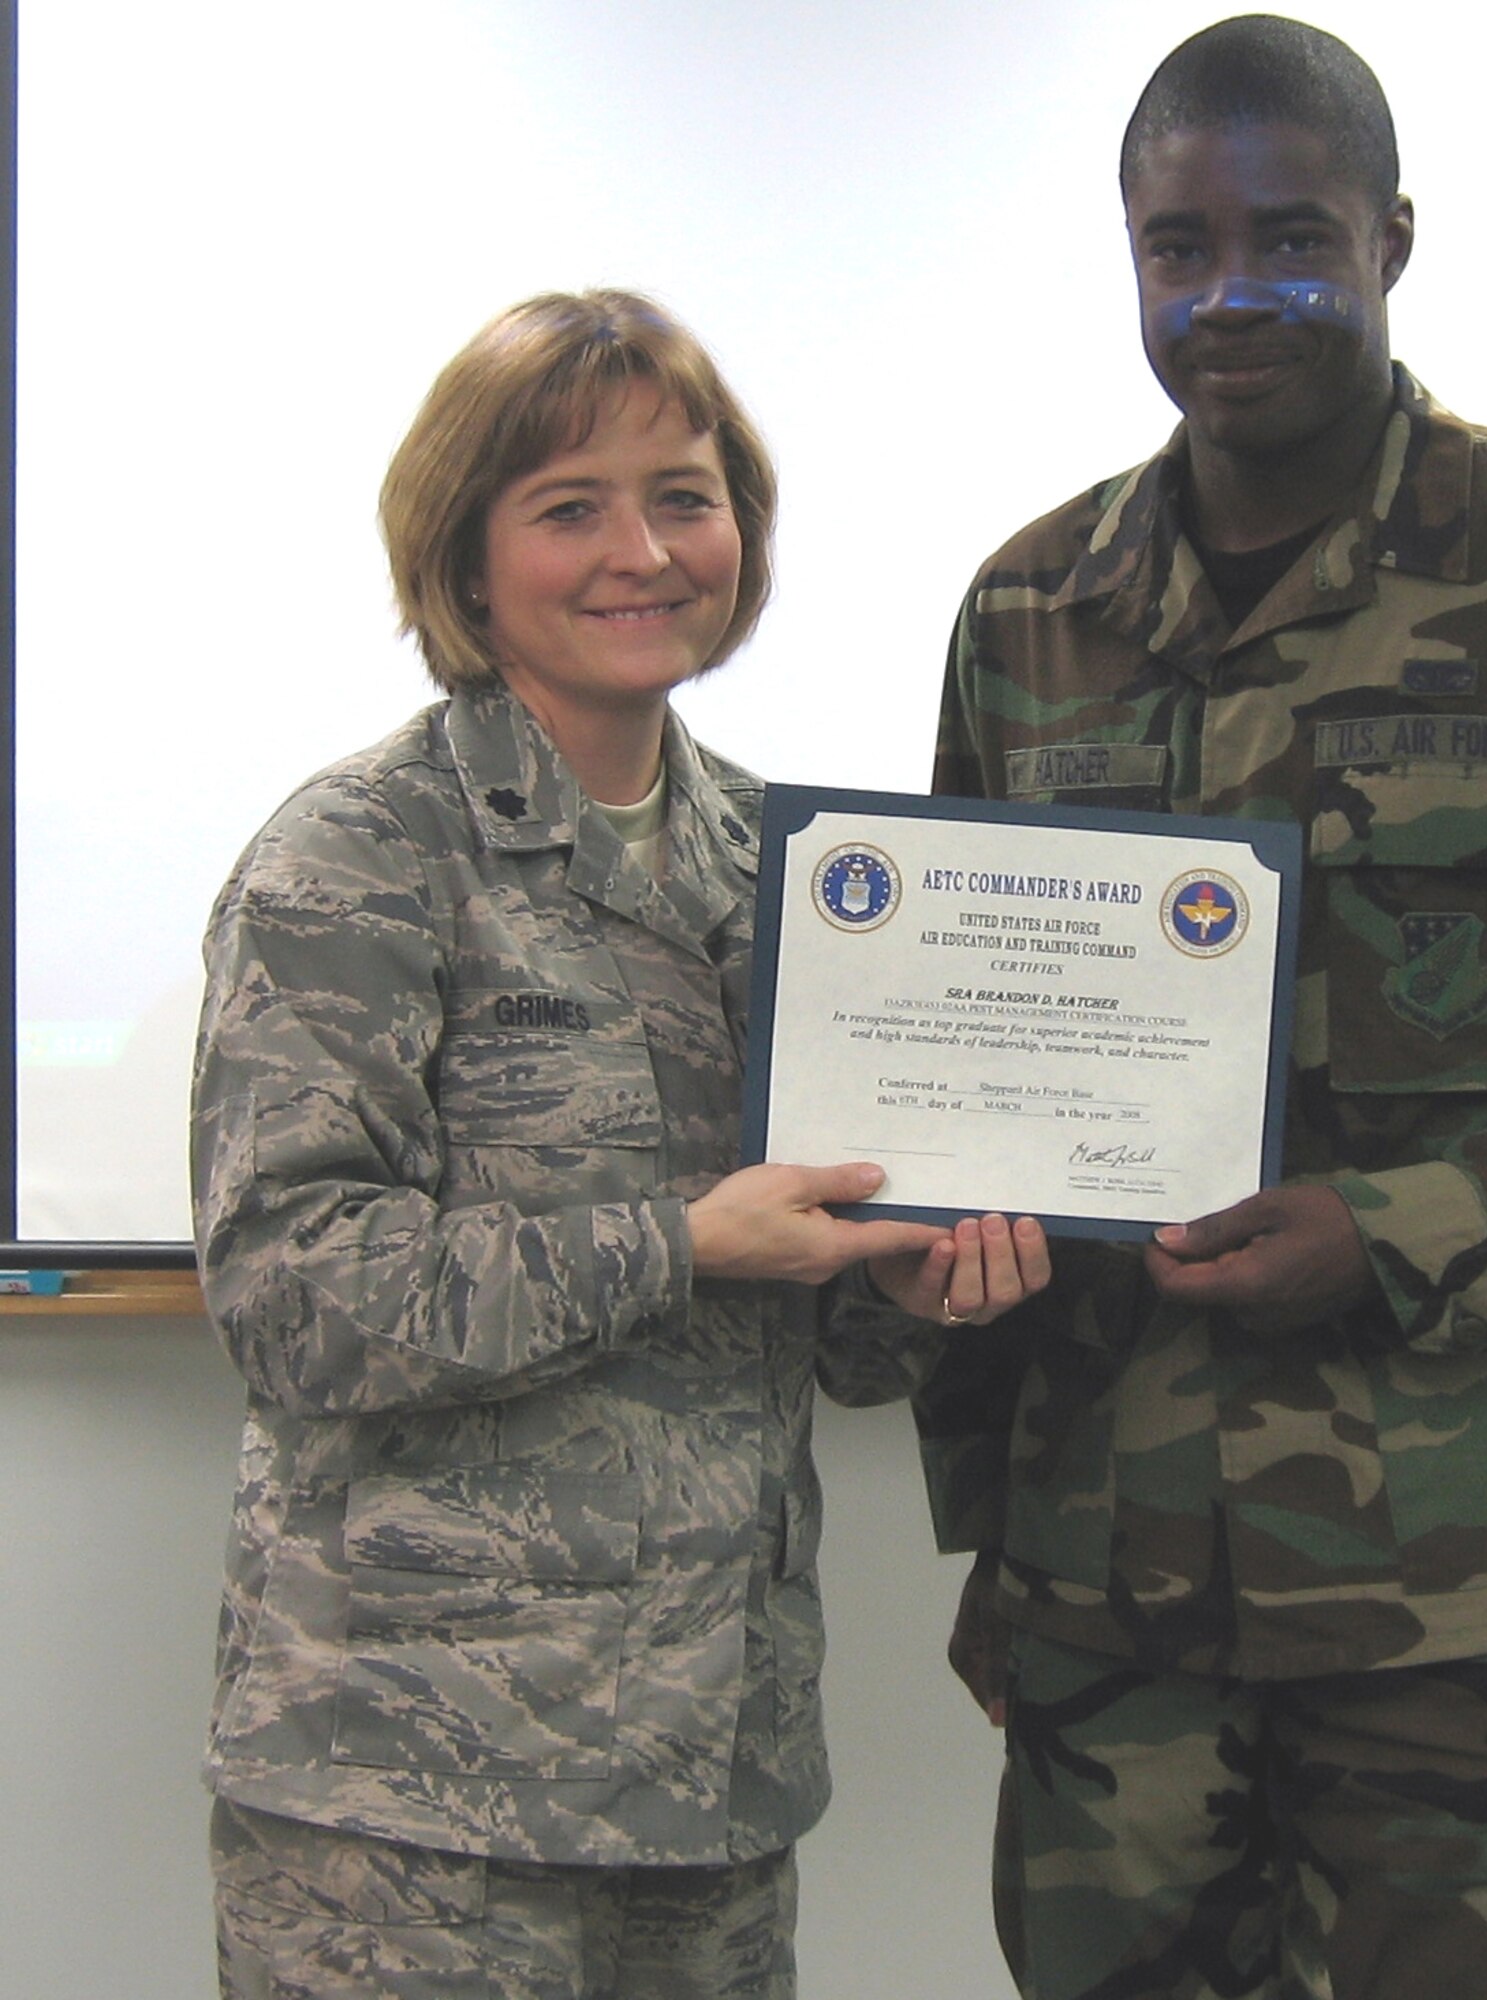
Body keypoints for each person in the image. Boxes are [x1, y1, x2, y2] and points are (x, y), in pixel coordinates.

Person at [914, 18, 1487, 2000]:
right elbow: (961, 1041)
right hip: (1123, 1605)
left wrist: (1414, 1226)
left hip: (1484, 1599)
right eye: (1176, 246)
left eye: (1289, 234)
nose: (1227, 293)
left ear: (1392, 238)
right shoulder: (1029, 613)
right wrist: (991, 1510)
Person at [190, 288, 1048, 2000]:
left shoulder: (800, 876)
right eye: (569, 506)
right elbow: (292, 1296)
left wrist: (939, 1288)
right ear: (465, 552)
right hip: (413, 1808)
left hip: (712, 1778)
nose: (643, 550)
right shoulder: (357, 855)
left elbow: (815, 1325)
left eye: (686, 493)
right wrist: (682, 1239)